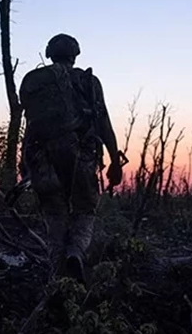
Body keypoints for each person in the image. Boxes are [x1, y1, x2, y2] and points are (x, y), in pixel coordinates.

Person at [18, 33, 124, 282]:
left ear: (49, 53)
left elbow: (30, 127)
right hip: (81, 157)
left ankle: (56, 273)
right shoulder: (88, 82)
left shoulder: (33, 81)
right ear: (75, 55)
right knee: (85, 210)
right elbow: (103, 122)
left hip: (42, 158)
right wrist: (115, 161)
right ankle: (75, 252)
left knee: (54, 214)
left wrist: (26, 165)